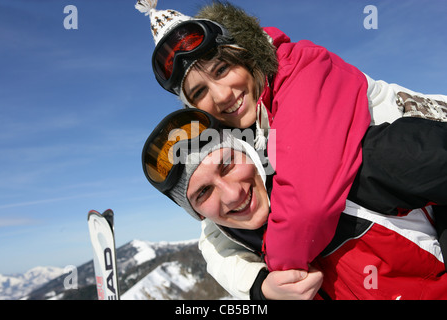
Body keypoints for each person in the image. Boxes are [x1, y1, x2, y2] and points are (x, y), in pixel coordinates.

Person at [136, 0, 447, 273]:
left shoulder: (301, 68)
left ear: (244, 55)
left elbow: (307, 202)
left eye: (221, 70)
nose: (221, 95)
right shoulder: (243, 133)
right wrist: (254, 287)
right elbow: (213, 236)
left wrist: (277, 272)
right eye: (200, 92)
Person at [141, 108, 447, 299]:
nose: (232, 194)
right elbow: (214, 250)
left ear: (248, 152)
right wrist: (261, 289)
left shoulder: (346, 166)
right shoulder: (240, 244)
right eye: (204, 193)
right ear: (197, 213)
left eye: (227, 165)